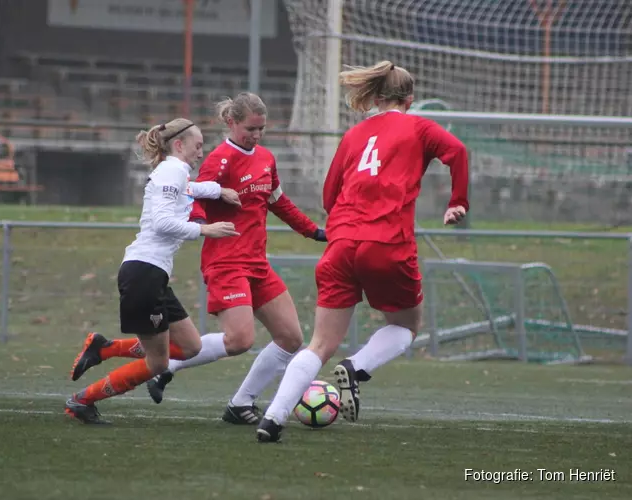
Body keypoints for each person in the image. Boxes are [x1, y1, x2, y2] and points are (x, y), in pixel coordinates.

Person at [256, 60, 470, 442]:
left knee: (319, 344)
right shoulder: (420, 126)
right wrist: (457, 201)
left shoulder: (354, 135)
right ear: (410, 98)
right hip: (386, 242)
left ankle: (272, 418)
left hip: (340, 245)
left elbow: (327, 196)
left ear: (374, 96)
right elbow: (458, 152)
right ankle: (355, 369)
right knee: (405, 325)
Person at [145, 92, 327, 424]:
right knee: (240, 339)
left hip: (257, 261)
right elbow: (195, 194)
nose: (256, 135)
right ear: (231, 122)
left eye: (262, 129)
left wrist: (313, 231)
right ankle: (168, 366)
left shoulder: (267, 159)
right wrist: (201, 223)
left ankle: (240, 404)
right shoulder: (218, 160)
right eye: (250, 129)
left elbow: (278, 202)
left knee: (291, 338)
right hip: (225, 260)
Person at [64, 117, 242, 424]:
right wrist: (205, 230)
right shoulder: (172, 170)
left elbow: (190, 189)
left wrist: (219, 190)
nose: (201, 153)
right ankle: (83, 400)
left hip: (152, 274)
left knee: (190, 347)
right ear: (179, 144)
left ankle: (102, 348)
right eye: (198, 146)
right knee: (159, 362)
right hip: (143, 274)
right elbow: (161, 222)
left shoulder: (175, 173)